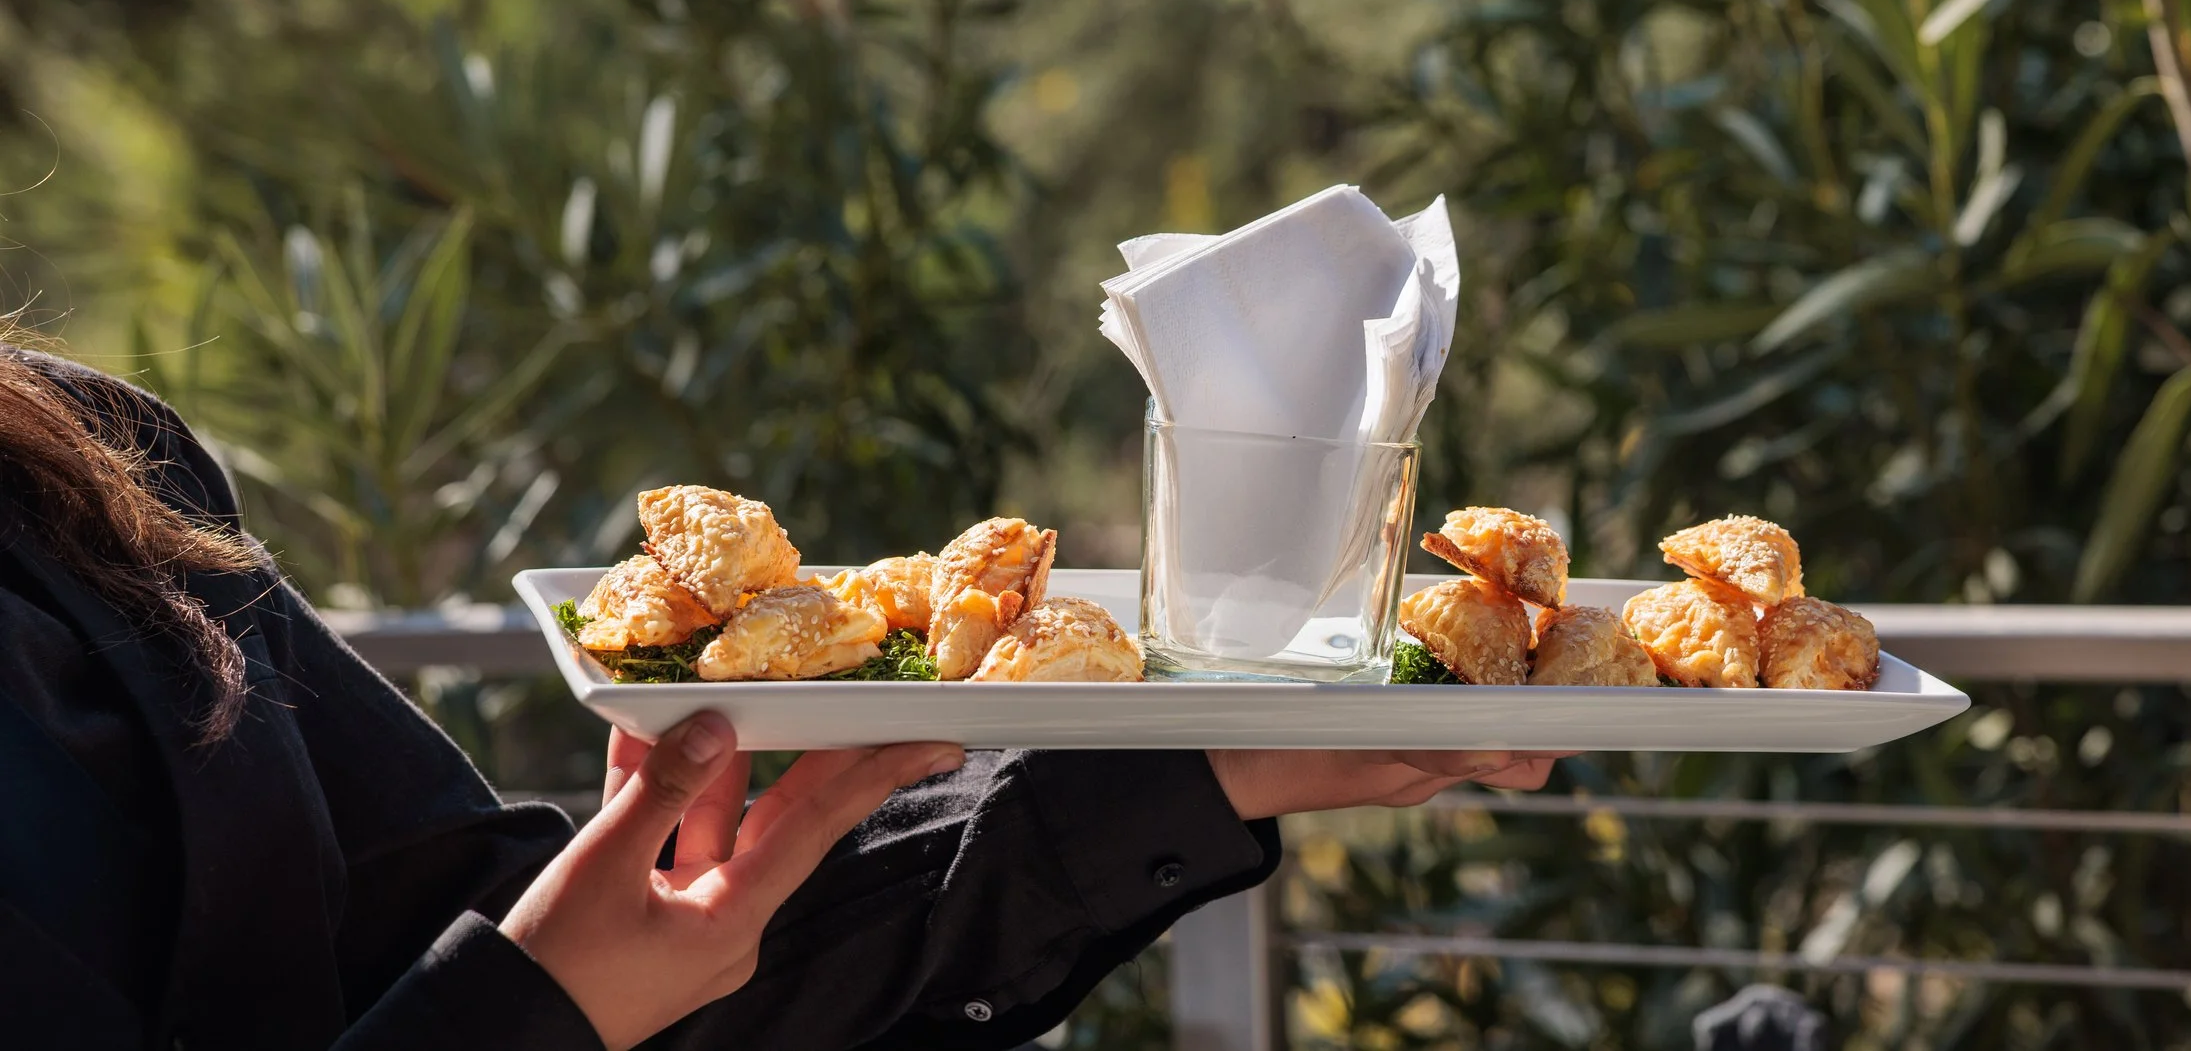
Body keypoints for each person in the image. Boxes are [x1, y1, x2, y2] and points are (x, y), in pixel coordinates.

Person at [0, 340, 1559, 1050]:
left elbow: (628, 976)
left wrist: (1203, 753)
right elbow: (543, 999)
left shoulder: (75, 464)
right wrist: (529, 1015)